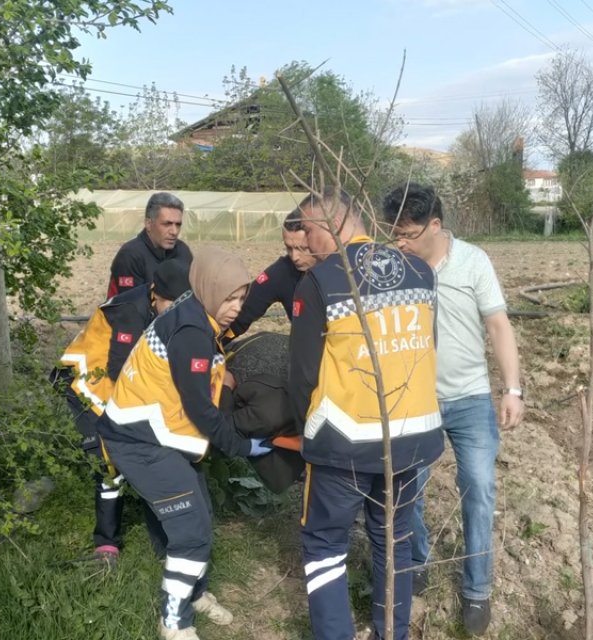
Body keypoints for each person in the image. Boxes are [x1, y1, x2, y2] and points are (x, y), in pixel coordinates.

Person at [287, 188, 444, 640]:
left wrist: (306, 436)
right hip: (413, 436)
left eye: (309, 232)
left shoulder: (320, 281)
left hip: (345, 440)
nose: (307, 245)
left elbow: (302, 375)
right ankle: (390, 633)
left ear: (328, 224)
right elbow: (425, 346)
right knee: (393, 541)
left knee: (324, 544)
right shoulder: (420, 270)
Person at [100, 247, 272, 640]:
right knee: (191, 530)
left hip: (158, 435)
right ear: (208, 288)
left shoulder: (196, 315)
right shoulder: (193, 330)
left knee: (200, 513)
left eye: (241, 298)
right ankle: (174, 621)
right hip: (138, 439)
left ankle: (193, 593)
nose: (235, 307)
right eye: (230, 297)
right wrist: (242, 447)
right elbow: (199, 408)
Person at [381, 182, 524, 636]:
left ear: (435, 225)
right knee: (410, 489)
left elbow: (498, 325)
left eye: (406, 233)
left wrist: (513, 388)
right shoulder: (396, 267)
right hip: (415, 399)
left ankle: (477, 589)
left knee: (478, 486)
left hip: (470, 399)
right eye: (394, 234)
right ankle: (418, 559)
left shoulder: (473, 261)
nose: (399, 242)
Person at [51, 260, 192, 566]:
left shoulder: (175, 304)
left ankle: (166, 535)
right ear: (155, 295)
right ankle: (106, 544)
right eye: (172, 305)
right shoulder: (131, 311)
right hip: (88, 378)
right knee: (108, 455)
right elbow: (119, 371)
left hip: (122, 377)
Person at [224, 209, 315, 340]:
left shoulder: (344, 270)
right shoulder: (283, 272)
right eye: (289, 248)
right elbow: (243, 312)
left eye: (302, 248)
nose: (295, 257)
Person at [108, 191, 193, 298]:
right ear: (148, 224)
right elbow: (130, 307)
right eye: (167, 224)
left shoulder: (183, 251)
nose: (174, 231)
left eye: (178, 224)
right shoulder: (130, 256)